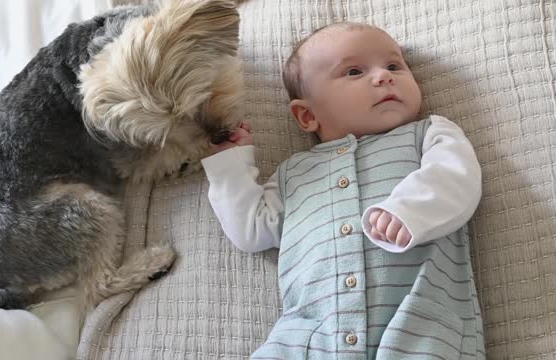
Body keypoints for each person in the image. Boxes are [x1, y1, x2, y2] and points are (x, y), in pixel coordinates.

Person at [202, 22, 485, 359]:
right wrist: (231, 165)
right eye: (354, 71)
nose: (383, 76)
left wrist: (409, 211)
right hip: (309, 333)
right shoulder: (295, 173)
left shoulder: (429, 134)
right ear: (307, 115)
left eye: (394, 66)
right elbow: (251, 230)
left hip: (415, 322)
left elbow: (455, 177)